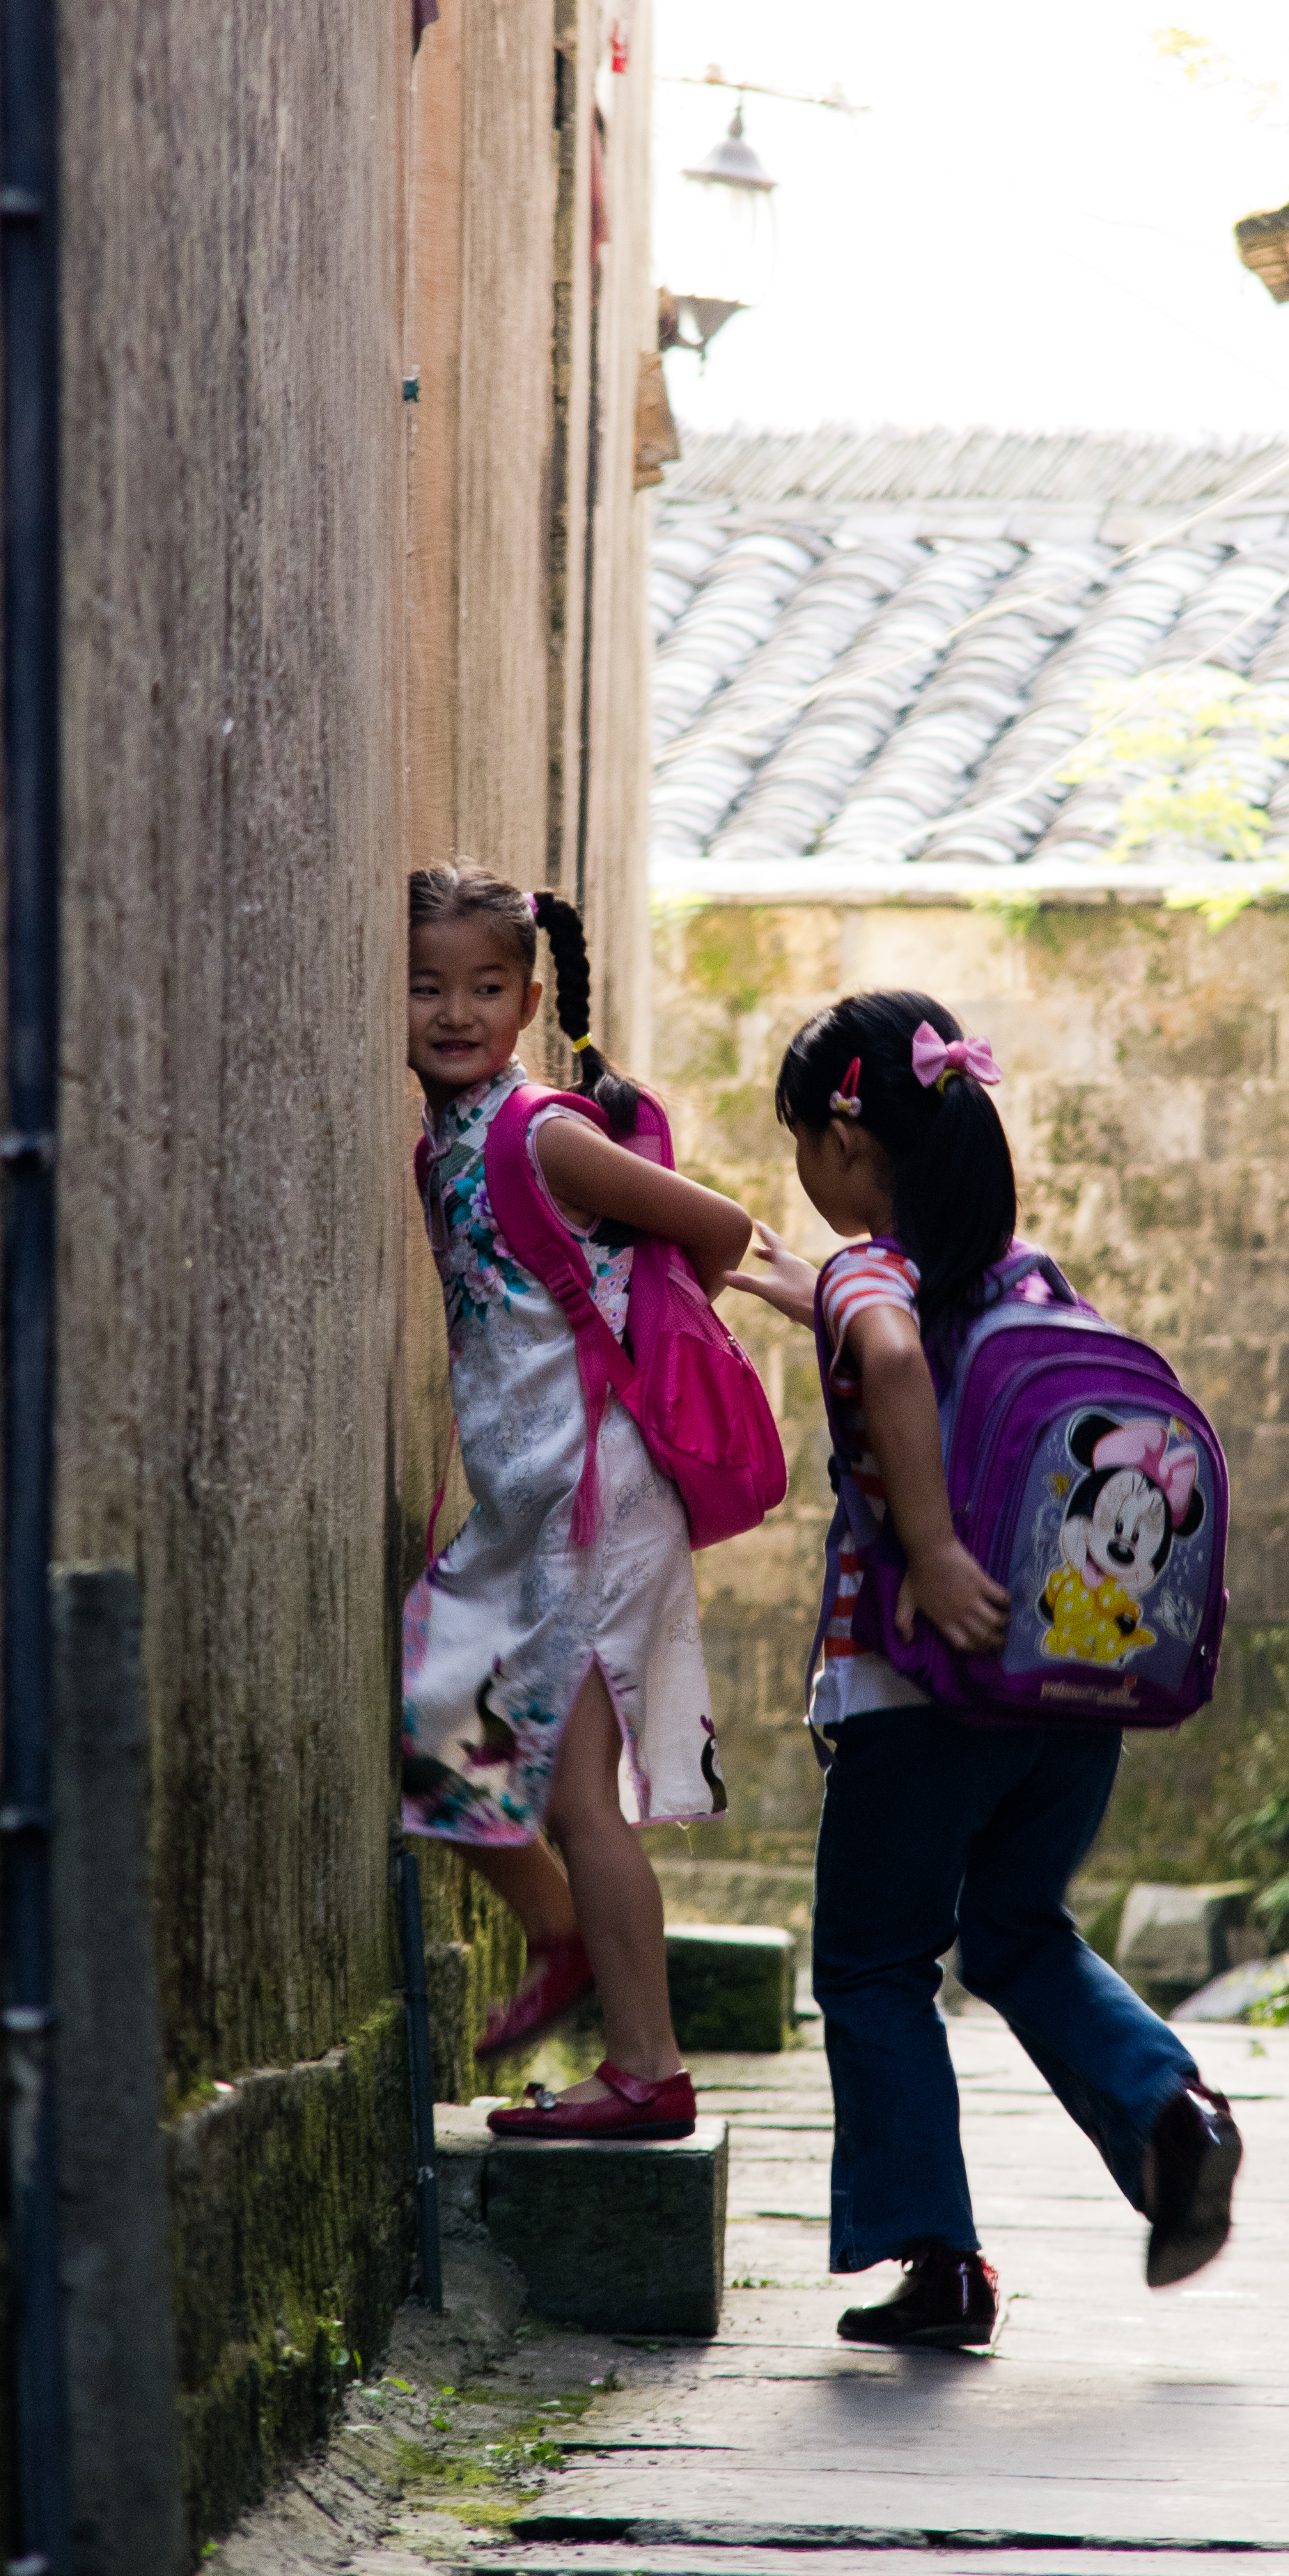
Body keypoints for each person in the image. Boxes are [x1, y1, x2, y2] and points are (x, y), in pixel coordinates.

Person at [728, 988, 1242, 2344]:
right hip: (1065, 1694)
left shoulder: (873, 1282)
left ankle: (939, 2260)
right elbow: (914, 1323)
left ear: (846, 1144)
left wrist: (936, 1549)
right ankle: (1171, 2111)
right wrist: (802, 1287)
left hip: (921, 1695)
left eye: (801, 1140)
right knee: (1014, 1929)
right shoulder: (1029, 1278)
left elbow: (895, 1349)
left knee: (873, 1963)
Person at [400, 862, 752, 2142]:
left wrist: (645, 1321)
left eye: (485, 987)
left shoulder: (542, 1135)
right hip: (526, 1506)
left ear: (531, 1000)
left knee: (577, 1793)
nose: (455, 1011)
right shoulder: (442, 1144)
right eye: (426, 986)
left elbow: (721, 1227)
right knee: (440, 1714)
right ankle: (559, 1935)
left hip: (598, 1499)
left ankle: (648, 2069)